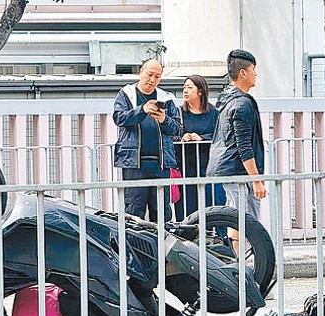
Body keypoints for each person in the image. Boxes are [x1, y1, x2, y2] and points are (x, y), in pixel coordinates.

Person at [112, 58, 181, 222]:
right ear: (141, 72)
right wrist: (142, 110)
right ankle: (132, 246)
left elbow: (177, 129)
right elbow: (119, 118)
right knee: (133, 212)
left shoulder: (166, 98)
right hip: (134, 163)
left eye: (158, 76)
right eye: (150, 74)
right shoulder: (126, 94)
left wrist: (165, 120)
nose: (152, 80)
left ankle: (162, 247)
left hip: (161, 164)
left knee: (162, 212)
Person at [206, 49, 267, 220]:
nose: (255, 73)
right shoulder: (241, 103)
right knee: (242, 218)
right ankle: (239, 248)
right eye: (253, 69)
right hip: (238, 170)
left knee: (238, 215)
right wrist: (256, 180)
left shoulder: (226, 98)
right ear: (243, 73)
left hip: (230, 168)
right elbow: (244, 145)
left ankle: (238, 247)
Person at [173, 75, 224, 220]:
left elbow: (221, 135)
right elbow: (171, 134)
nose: (185, 91)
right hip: (185, 167)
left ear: (201, 91)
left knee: (213, 205)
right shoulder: (179, 113)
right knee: (187, 209)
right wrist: (182, 138)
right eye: (184, 88)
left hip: (209, 167)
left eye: (190, 87)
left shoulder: (214, 113)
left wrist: (202, 138)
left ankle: (218, 238)